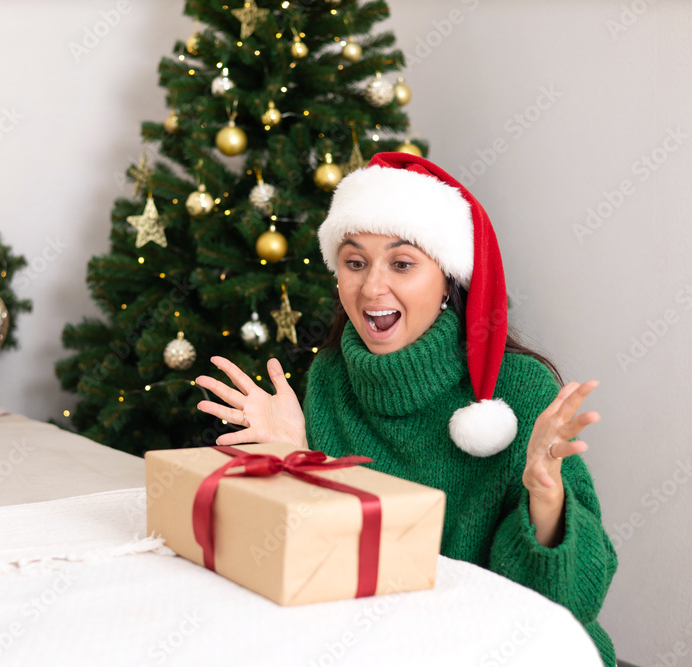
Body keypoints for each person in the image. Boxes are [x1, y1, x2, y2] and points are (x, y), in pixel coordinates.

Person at [195, 152, 618, 666]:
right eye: (355, 262)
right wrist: (296, 459)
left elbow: (571, 604)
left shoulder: (519, 389)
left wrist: (544, 500)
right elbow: (330, 564)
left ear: (447, 281)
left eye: (401, 263)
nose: (372, 287)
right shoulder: (331, 375)